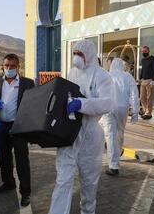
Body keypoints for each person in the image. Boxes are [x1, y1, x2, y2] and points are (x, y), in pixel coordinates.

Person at [48, 39, 113, 214]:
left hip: (91, 134)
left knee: (89, 182)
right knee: (63, 179)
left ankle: (87, 211)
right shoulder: (72, 73)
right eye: (75, 53)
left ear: (90, 55)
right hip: (69, 132)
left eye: (80, 54)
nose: (77, 57)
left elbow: (107, 103)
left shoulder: (102, 76)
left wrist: (81, 104)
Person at [0, 54, 35, 207]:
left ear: (18, 67)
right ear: (3, 65)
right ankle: (8, 183)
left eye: (12, 66)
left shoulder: (27, 83)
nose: (8, 68)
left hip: (18, 127)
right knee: (4, 157)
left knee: (22, 160)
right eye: (6, 65)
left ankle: (25, 192)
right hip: (2, 125)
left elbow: (33, 104)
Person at [101, 58, 139, 176]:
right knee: (120, 132)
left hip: (109, 108)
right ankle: (117, 155)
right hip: (123, 109)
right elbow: (134, 93)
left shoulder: (106, 76)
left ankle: (113, 165)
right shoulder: (128, 77)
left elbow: (100, 93)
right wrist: (135, 111)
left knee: (110, 136)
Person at [139, 45, 154, 119]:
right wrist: (140, 78)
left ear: (148, 51)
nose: (144, 53)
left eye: (145, 51)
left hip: (150, 80)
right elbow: (143, 70)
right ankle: (145, 110)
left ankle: (148, 113)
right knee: (141, 97)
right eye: (142, 52)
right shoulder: (143, 60)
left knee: (149, 98)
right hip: (143, 80)